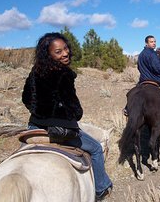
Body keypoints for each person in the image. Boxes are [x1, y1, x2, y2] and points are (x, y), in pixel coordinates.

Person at [22, 32, 112, 201]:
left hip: (35, 127)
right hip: (59, 130)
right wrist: (73, 114)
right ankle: (101, 188)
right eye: (58, 51)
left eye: (65, 49)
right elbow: (74, 109)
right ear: (48, 54)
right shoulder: (64, 74)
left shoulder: (35, 71)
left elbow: (26, 98)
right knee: (96, 149)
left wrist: (40, 113)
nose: (65, 53)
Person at [124, 35, 160, 118]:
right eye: (151, 42)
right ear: (146, 43)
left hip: (143, 79)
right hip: (156, 79)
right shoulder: (153, 54)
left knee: (136, 91)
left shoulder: (141, 55)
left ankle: (127, 108)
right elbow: (158, 68)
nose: (154, 43)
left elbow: (139, 67)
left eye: (154, 41)